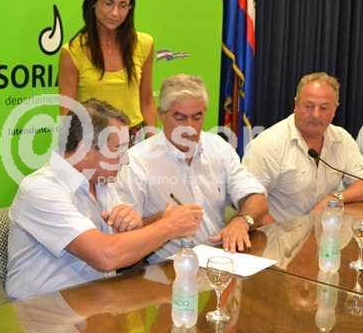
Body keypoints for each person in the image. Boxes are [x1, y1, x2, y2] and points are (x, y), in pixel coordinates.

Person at [4, 99, 203, 301]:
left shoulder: (100, 181)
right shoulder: (41, 189)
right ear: (84, 152)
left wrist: (150, 221)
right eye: (117, 150)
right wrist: (169, 226)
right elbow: (106, 255)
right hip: (44, 310)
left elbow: (120, 244)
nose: (125, 160)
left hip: (97, 299)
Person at [114, 74, 268, 261]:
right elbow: (123, 235)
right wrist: (164, 221)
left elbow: (256, 198)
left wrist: (242, 221)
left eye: (197, 117)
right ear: (161, 114)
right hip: (169, 268)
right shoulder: (136, 162)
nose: (189, 127)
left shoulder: (218, 147)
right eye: (180, 117)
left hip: (222, 257)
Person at [243, 72, 363, 223]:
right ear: (296, 105)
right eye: (308, 106)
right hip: (279, 232)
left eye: (324, 108)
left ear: (335, 110)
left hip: (324, 231)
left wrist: (334, 198)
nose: (315, 114)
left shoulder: (341, 138)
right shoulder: (267, 144)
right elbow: (247, 202)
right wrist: (281, 234)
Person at [58, 0, 156, 139]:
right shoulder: (72, 51)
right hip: (92, 141)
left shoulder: (144, 43)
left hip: (135, 140)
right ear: (94, 2)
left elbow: (147, 101)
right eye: (108, 3)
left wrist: (152, 142)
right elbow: (68, 113)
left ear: (130, 8)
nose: (115, 13)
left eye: (123, 5)